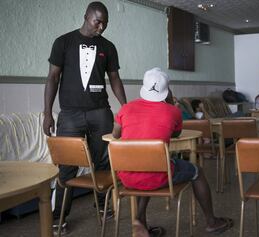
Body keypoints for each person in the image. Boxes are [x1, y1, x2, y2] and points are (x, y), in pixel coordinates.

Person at [113, 67, 233, 237]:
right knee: (197, 172)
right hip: (157, 175)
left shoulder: (126, 108)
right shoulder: (173, 111)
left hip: (126, 176)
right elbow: (175, 133)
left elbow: (115, 134)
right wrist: (169, 104)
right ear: (167, 91)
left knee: (145, 165)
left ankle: (139, 220)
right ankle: (212, 222)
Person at [42, 1, 127, 233]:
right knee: (67, 167)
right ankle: (59, 217)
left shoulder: (108, 47)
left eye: (105, 23)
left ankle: (102, 206)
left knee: (102, 162)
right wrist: (48, 113)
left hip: (100, 113)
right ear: (86, 16)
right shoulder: (63, 42)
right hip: (70, 115)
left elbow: (115, 79)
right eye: (97, 21)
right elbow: (52, 78)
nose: (101, 26)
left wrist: (126, 107)